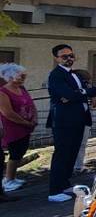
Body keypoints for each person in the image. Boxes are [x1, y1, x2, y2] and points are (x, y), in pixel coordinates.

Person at [46, 43, 96, 203]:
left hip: (79, 119)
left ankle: (64, 183)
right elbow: (68, 94)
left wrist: (79, 93)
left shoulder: (75, 74)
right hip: (64, 121)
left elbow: (92, 90)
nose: (69, 59)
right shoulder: (56, 75)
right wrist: (80, 93)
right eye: (64, 56)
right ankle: (54, 190)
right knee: (62, 154)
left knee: (72, 153)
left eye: (71, 55)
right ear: (56, 58)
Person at [0, 63, 37, 193]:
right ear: (10, 77)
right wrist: (26, 123)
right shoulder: (2, 92)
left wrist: (34, 119)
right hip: (13, 127)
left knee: (21, 150)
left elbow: (31, 104)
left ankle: (13, 177)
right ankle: (8, 179)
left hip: (26, 125)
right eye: (20, 76)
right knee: (15, 152)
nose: (23, 78)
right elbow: (7, 113)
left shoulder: (23, 88)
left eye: (24, 76)